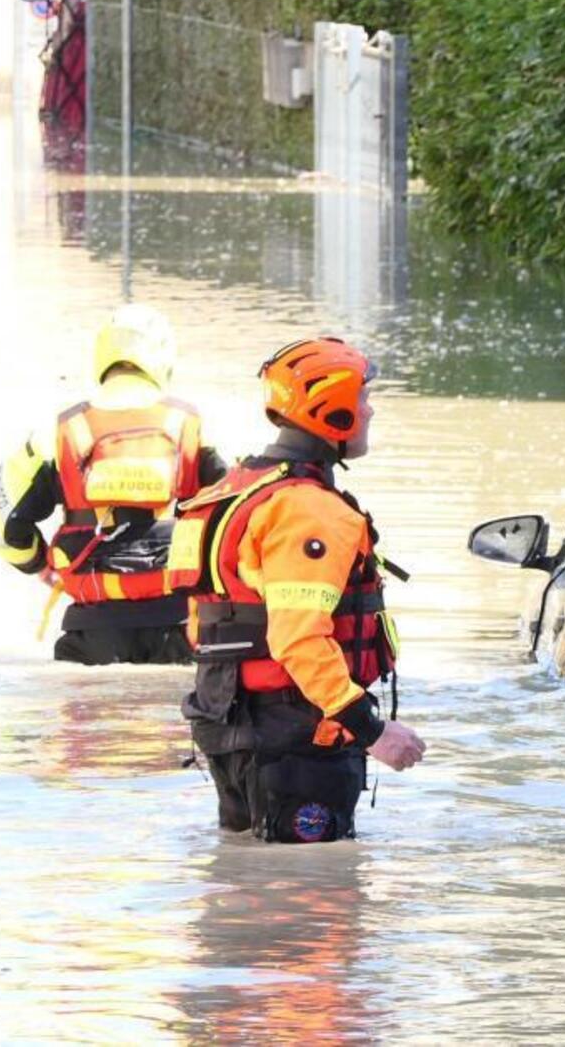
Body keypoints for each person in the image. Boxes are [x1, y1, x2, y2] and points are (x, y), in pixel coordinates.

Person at [173, 337, 424, 843]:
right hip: (294, 738)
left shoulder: (230, 491)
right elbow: (298, 639)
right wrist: (373, 732)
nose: (370, 411)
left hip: (228, 723)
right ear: (332, 411)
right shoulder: (309, 508)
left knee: (247, 893)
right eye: (362, 400)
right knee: (315, 909)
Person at [0, 304, 227, 664]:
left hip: (90, 631)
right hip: (179, 627)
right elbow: (243, 512)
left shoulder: (59, 431)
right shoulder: (192, 425)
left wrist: (38, 563)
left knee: (89, 719)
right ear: (164, 359)